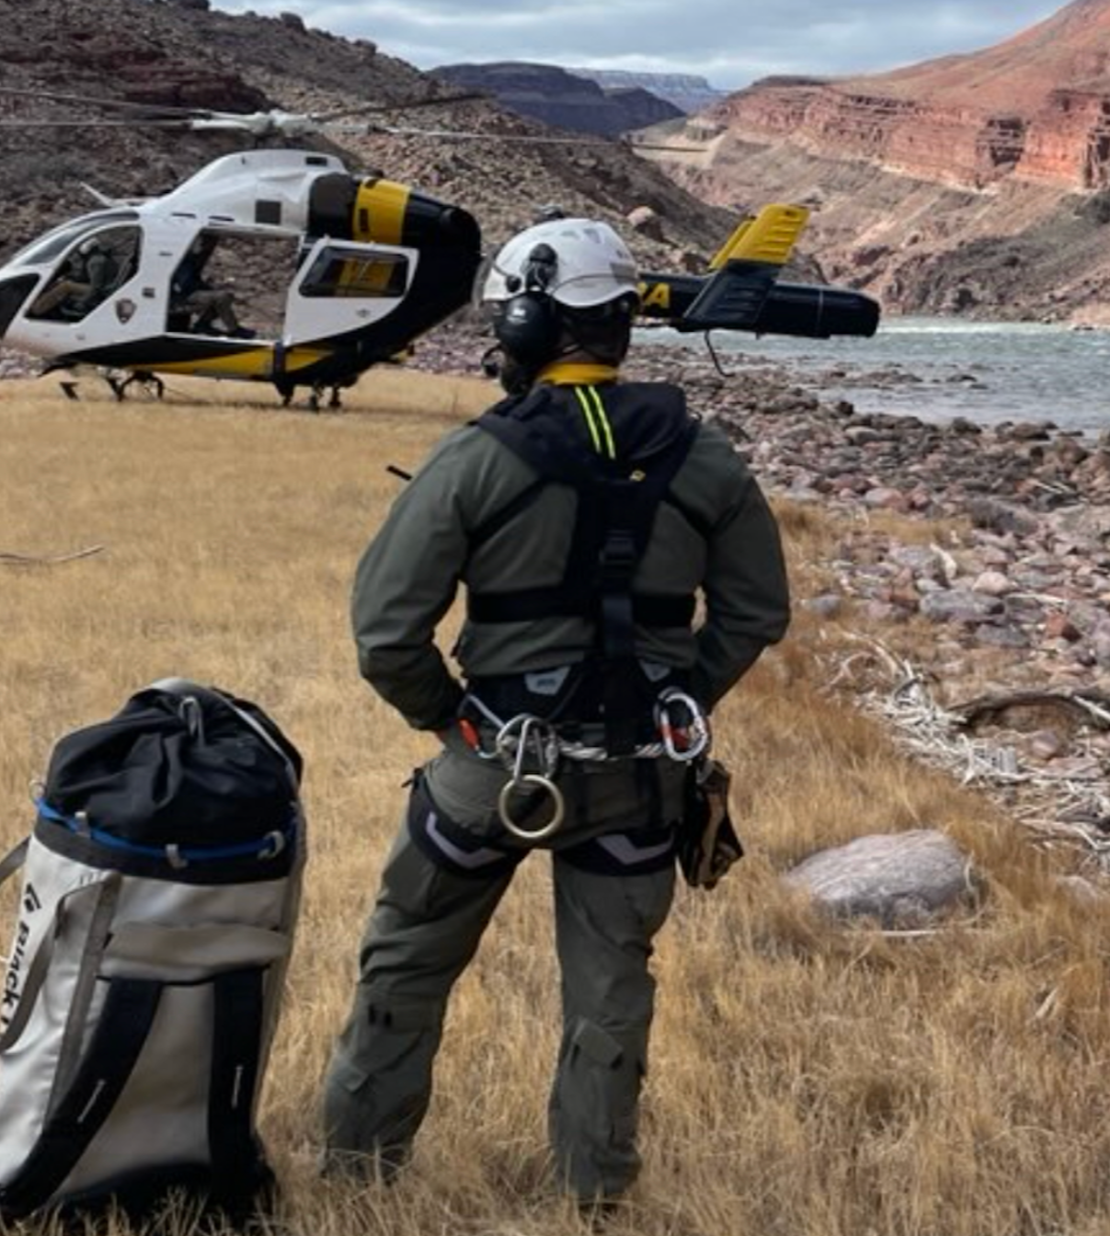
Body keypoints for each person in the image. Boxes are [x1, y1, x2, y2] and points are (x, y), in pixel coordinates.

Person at [322, 216, 791, 1206]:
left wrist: (447, 718)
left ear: (530, 324)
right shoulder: (702, 459)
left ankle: (360, 1175)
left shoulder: (476, 459)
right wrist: (683, 700)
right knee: (611, 997)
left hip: (488, 772)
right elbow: (757, 609)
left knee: (406, 963)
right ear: (622, 324)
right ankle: (594, 1196)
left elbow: (384, 629)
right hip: (635, 782)